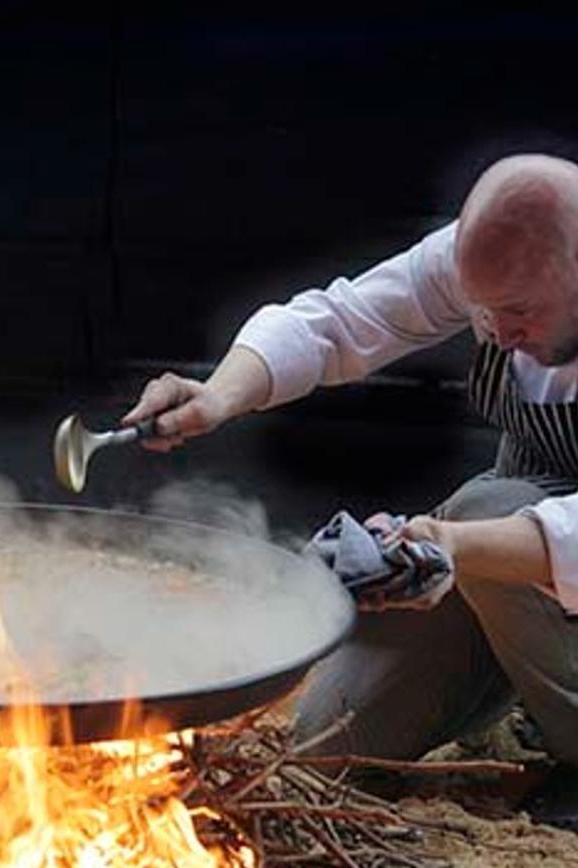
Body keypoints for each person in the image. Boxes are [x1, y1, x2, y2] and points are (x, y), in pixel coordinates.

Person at [123, 153, 578, 821]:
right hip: (505, 564)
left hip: (528, 537)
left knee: (486, 504)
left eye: (518, 312)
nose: (501, 335)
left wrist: (453, 539)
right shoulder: (489, 263)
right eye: (484, 313)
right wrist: (218, 398)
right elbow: (339, 321)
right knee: (327, 745)